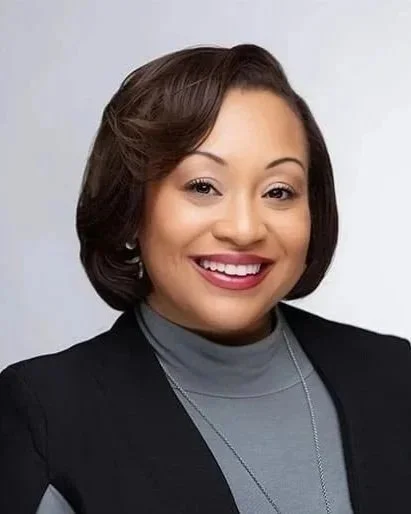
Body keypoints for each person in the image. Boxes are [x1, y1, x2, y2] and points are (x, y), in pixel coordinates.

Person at [0, 43, 409, 514]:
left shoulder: (395, 375)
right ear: (131, 207)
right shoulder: (49, 413)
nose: (245, 229)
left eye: (279, 192)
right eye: (202, 186)